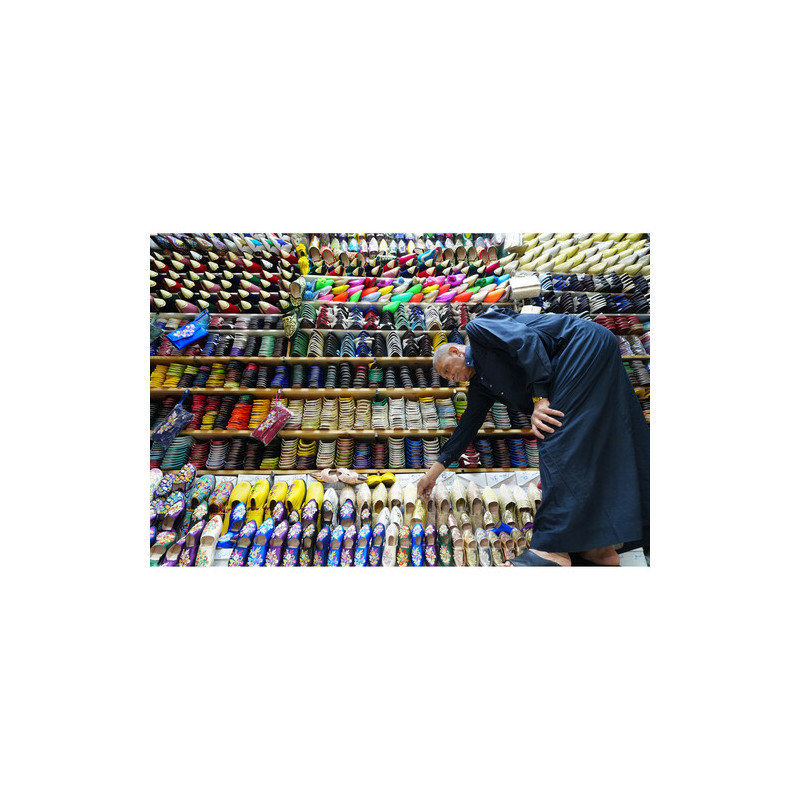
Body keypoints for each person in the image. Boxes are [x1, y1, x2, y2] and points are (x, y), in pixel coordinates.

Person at [416, 308, 649, 566]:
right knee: (590, 444)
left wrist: (540, 398)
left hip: (579, 345)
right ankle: (599, 547)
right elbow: (466, 430)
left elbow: (526, 340)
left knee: (554, 439)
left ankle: (552, 549)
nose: (451, 378)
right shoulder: (481, 386)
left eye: (448, 370)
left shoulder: (479, 329)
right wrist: (431, 475)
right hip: (583, 355)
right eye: (447, 377)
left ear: (456, 351)